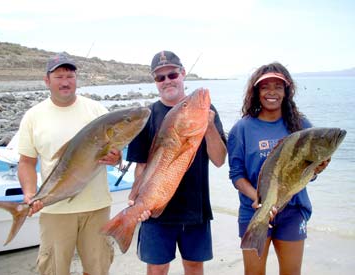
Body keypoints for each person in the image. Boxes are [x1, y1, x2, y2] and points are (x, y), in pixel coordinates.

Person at [17, 52, 121, 275]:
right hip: (54, 209)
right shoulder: (33, 116)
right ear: (47, 81)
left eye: (70, 76)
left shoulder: (97, 111)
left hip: (97, 208)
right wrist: (30, 193)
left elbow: (115, 155)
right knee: (54, 269)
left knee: (98, 268)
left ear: (76, 79)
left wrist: (116, 158)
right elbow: (26, 161)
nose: (65, 82)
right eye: (59, 76)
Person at [126, 50, 227, 275]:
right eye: (160, 78)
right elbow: (141, 166)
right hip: (157, 210)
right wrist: (137, 200)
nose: (167, 81)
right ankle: (124, 223)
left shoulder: (207, 113)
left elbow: (219, 160)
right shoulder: (146, 116)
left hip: (195, 209)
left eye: (172, 74)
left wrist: (209, 126)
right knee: (157, 268)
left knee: (193, 266)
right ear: (155, 81)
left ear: (182, 74)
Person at [227, 62, 330, 275]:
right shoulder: (241, 129)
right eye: (265, 87)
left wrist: (316, 170)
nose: (271, 92)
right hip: (254, 211)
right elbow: (236, 174)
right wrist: (258, 197)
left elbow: (304, 176)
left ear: (287, 91)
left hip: (292, 210)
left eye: (278, 86)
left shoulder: (301, 125)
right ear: (256, 92)